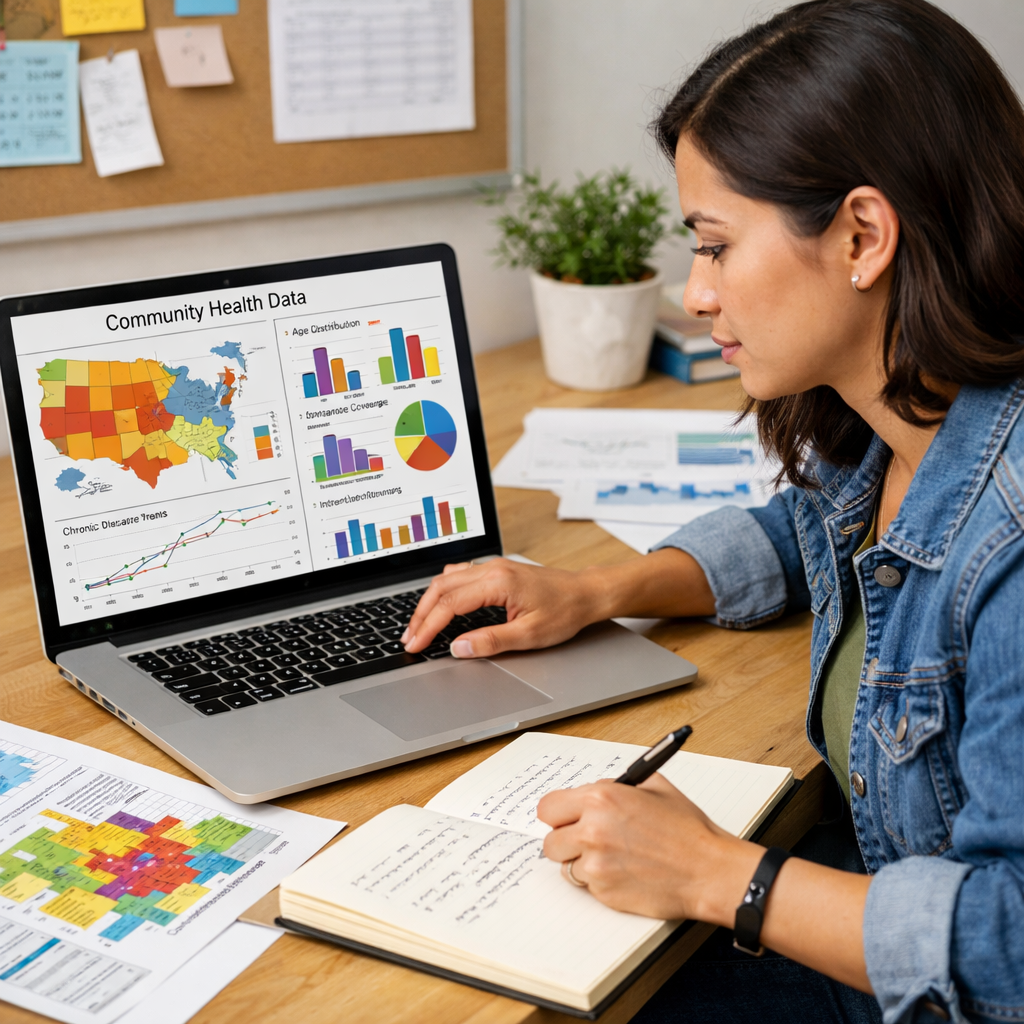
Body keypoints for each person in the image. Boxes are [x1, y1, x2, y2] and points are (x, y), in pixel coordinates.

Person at [401, 1, 1024, 1020]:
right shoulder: (898, 428)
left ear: (862, 234)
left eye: (716, 245)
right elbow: (806, 533)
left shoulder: (1012, 534)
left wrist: (711, 874)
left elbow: (1010, 943)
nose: (694, 293)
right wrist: (597, 590)